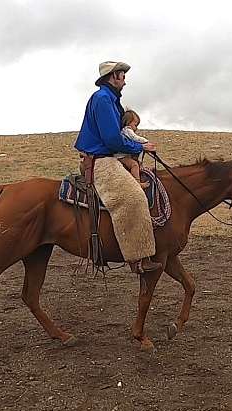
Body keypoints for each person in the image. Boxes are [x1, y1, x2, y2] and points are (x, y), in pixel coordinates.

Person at [75, 61, 161, 274]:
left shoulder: (111, 101)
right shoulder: (103, 100)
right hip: (101, 161)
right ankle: (138, 258)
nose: (125, 80)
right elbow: (113, 139)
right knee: (134, 197)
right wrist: (140, 145)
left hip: (107, 157)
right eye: (122, 76)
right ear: (113, 77)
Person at [118, 109, 149, 188]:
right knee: (134, 165)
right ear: (128, 122)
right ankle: (137, 182)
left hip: (123, 155)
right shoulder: (127, 130)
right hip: (121, 156)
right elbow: (135, 138)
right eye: (135, 125)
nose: (136, 128)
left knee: (135, 162)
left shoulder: (124, 131)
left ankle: (141, 167)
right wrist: (145, 141)